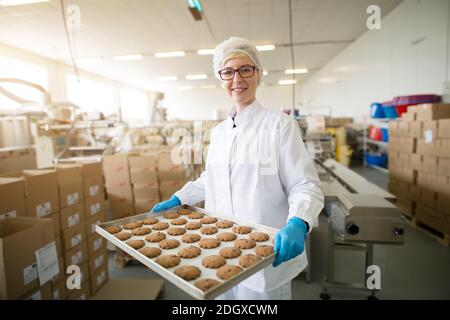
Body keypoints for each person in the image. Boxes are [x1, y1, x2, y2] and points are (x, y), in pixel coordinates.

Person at [152, 37, 324, 300]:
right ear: (220, 78)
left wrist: (299, 221)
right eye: (228, 72)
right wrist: (181, 197)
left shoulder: (280, 125)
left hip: (265, 253)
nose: (237, 79)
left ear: (258, 74)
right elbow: (212, 177)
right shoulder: (219, 132)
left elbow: (304, 184)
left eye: (246, 69)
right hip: (220, 252)